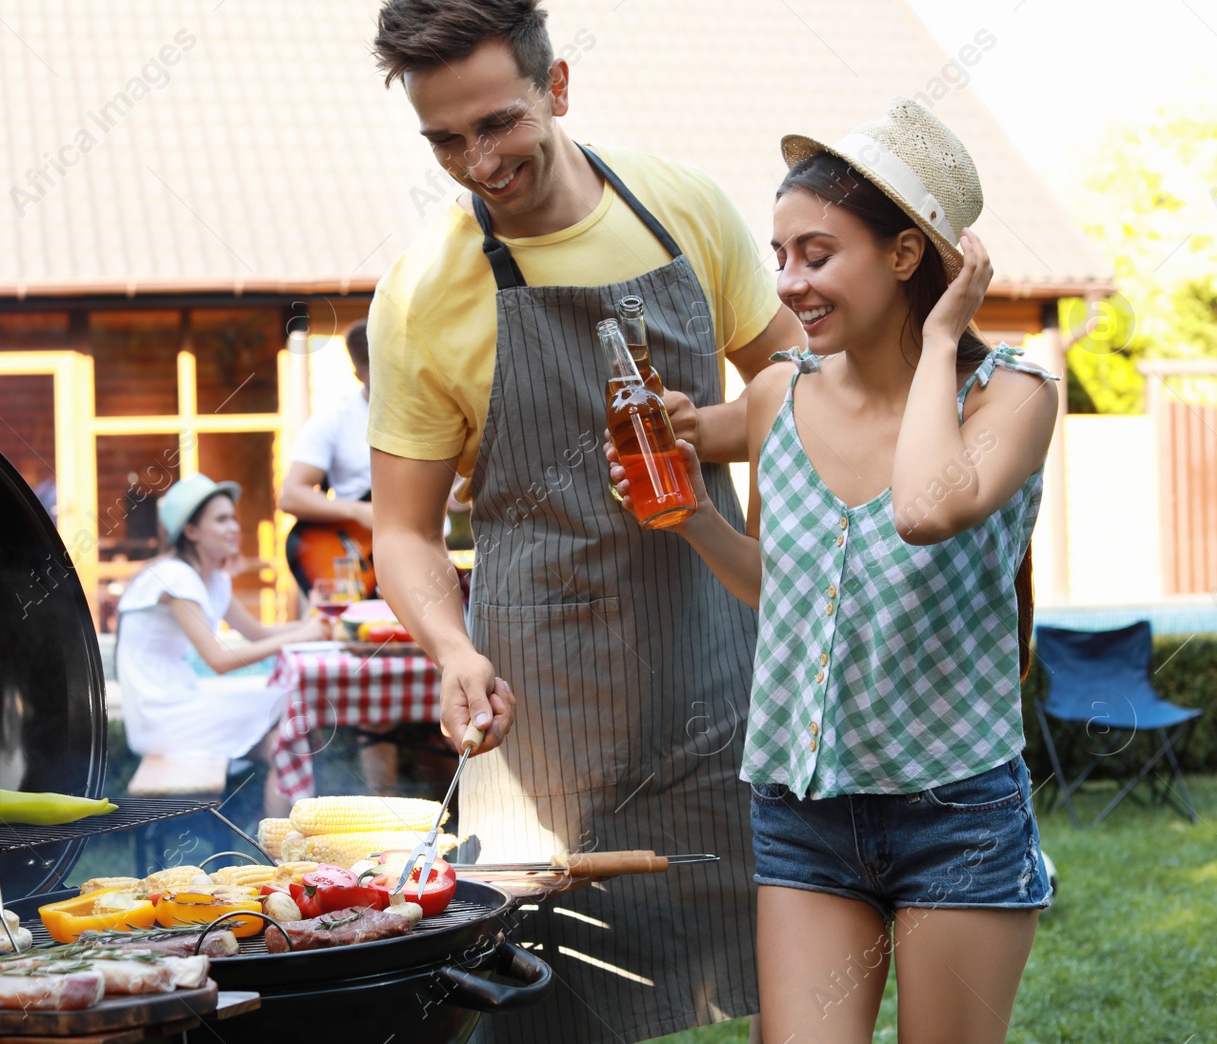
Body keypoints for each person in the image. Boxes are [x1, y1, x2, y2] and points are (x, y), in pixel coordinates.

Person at [365, 2, 804, 1040]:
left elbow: (801, 377)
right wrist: (448, 649)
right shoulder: (425, 292)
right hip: (544, 696)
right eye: (444, 139)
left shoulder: (681, 207)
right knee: (544, 994)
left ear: (557, 88)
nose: (478, 161)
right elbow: (404, 531)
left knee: (773, 958)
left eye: (498, 123)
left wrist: (724, 430)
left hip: (716, 659)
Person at [607, 99, 1058, 1042]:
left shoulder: (1012, 397)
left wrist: (940, 339)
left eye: (816, 254)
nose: (790, 283)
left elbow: (926, 507)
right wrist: (691, 514)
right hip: (804, 813)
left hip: (957, 813)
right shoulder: (778, 394)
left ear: (905, 257)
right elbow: (784, 592)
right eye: (780, 257)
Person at [116, 473, 329, 819]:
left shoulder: (213, 579)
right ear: (191, 531)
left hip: (182, 700)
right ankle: (290, 844)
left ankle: (283, 849)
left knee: (286, 743)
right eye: (221, 519)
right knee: (290, 701)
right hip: (162, 714)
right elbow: (217, 659)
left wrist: (316, 624)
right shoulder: (175, 577)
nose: (234, 527)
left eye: (233, 518)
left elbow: (259, 632)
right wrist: (300, 635)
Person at [280, 320, 376, 597]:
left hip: (425, 551)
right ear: (358, 374)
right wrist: (359, 511)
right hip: (362, 559)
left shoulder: (429, 415)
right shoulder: (334, 418)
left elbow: (455, 497)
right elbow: (291, 496)